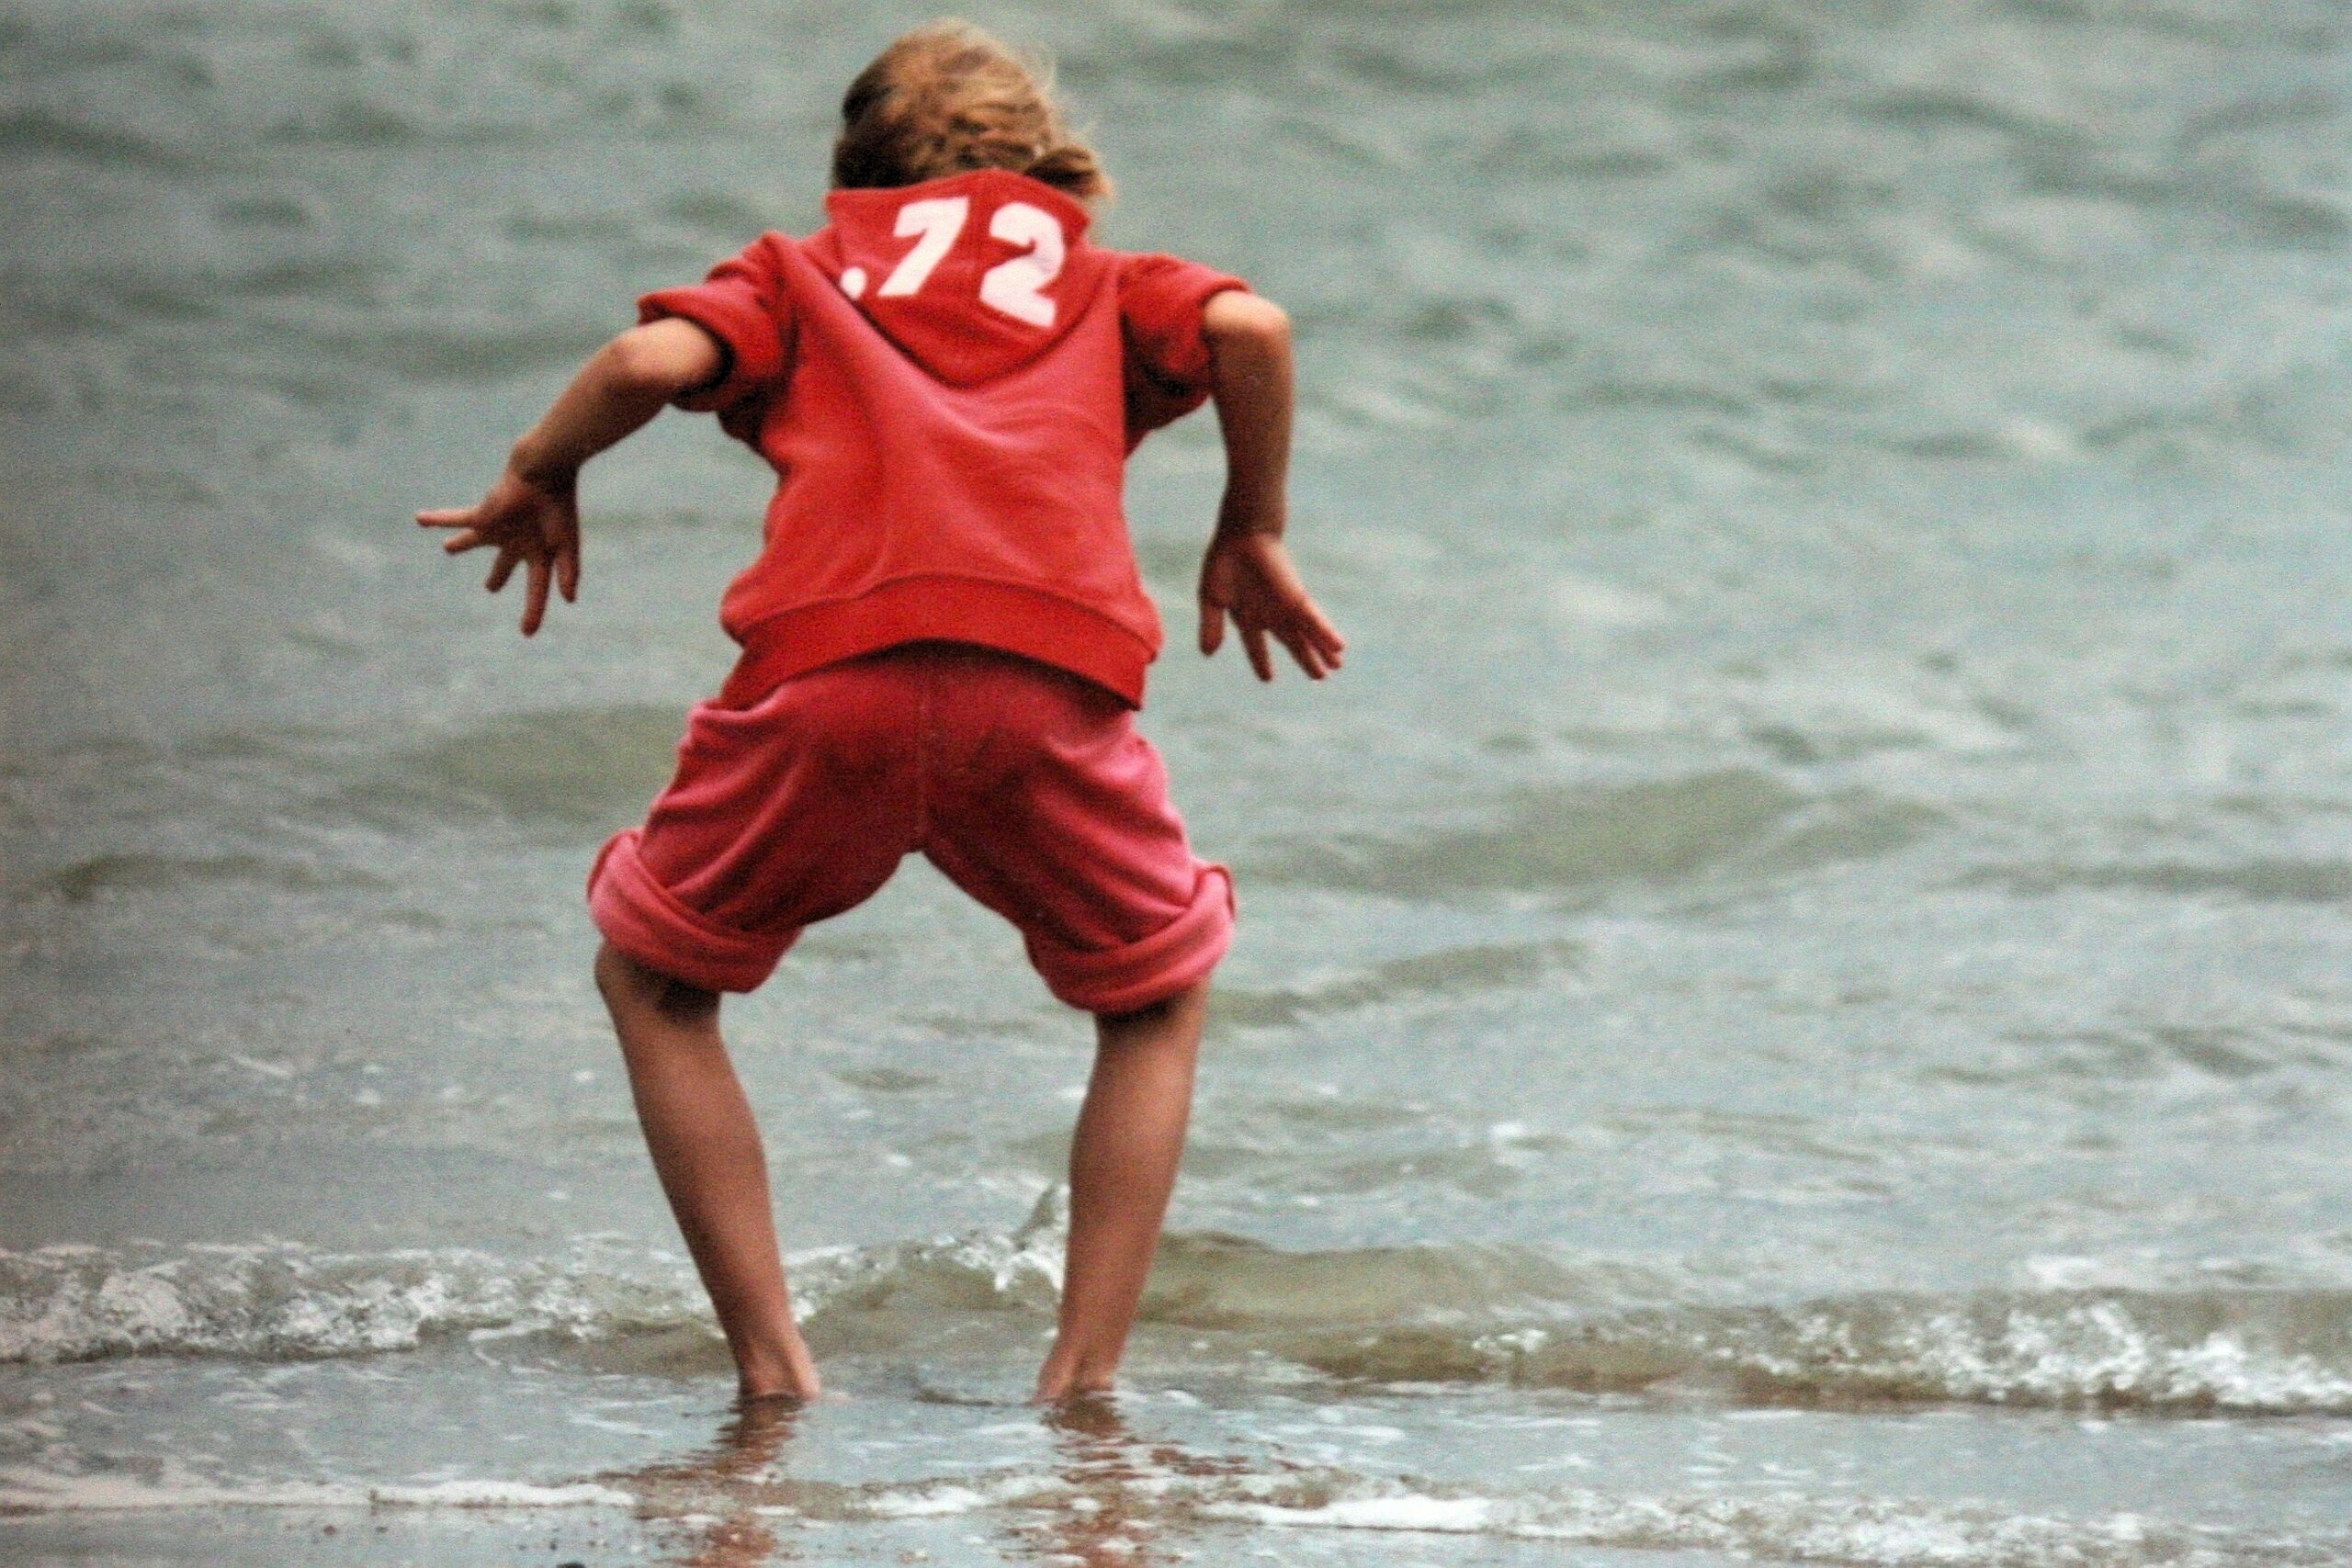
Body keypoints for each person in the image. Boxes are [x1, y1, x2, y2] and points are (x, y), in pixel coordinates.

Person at [417, 19, 1342, 1405]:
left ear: (856, 170)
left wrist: (536, 473)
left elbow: (644, 366)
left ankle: (776, 1369)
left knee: (654, 977)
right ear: (1048, 161)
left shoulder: (795, 274)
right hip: (1045, 688)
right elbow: (1251, 326)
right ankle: (1080, 1380)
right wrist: (1251, 524)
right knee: (1152, 997)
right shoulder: (1104, 286)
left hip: (827, 682)